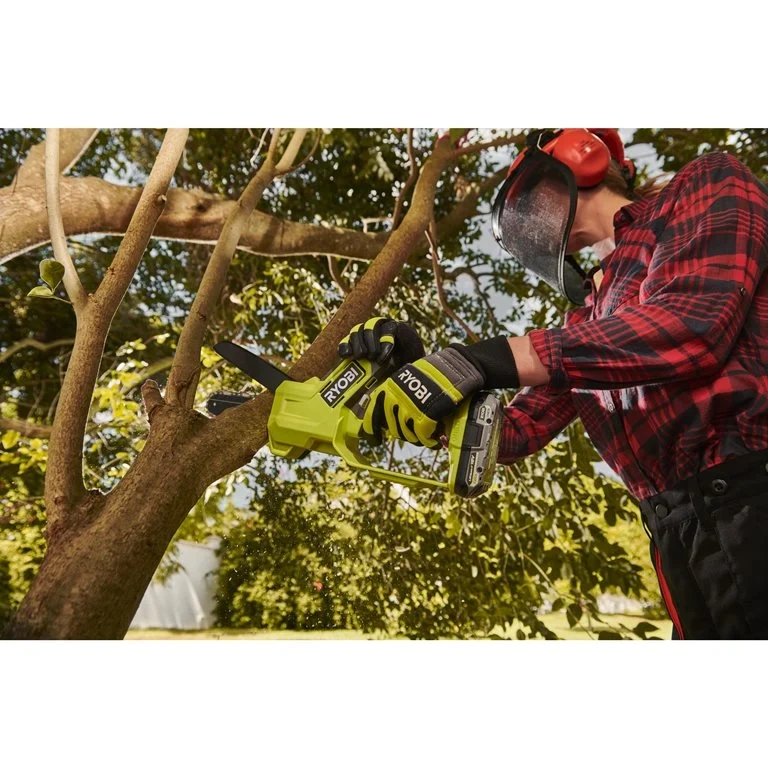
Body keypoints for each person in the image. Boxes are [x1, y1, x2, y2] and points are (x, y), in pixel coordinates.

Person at [339, 128, 768, 640]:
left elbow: (692, 324)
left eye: (526, 197)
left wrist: (485, 358)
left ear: (579, 155)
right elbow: (513, 432)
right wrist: (416, 376)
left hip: (751, 494)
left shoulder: (704, 184)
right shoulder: (586, 319)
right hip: (678, 534)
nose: (526, 220)